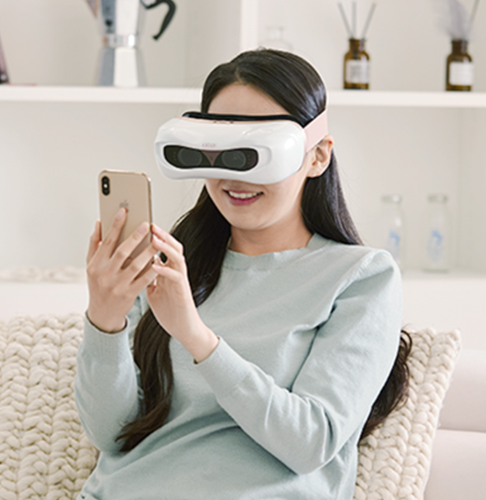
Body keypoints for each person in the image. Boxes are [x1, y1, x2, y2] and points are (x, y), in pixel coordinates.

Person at [75, 49, 411, 500]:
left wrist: (196, 336)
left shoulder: (361, 278)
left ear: (317, 156)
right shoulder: (168, 265)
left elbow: (310, 443)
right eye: (219, 149)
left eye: (258, 152)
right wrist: (105, 320)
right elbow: (111, 435)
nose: (234, 176)